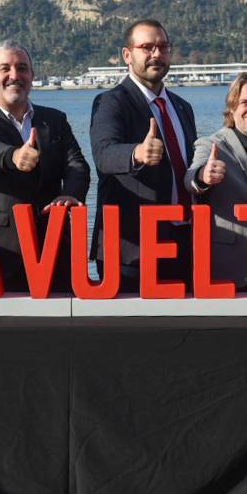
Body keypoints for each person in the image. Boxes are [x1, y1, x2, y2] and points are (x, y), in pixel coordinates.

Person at [0, 41, 90, 291]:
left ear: (31, 75)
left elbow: (77, 165)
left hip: (56, 249)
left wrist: (70, 194)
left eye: (22, 68)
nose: (14, 76)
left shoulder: (55, 119)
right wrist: (14, 156)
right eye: (5, 68)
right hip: (3, 253)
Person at [90, 19, 197, 291]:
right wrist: (136, 153)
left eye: (163, 47)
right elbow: (104, 154)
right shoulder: (110, 102)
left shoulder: (182, 107)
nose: (156, 54)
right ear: (127, 55)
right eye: (147, 47)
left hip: (184, 241)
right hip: (131, 249)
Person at [183, 70, 247, 290]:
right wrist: (204, 176)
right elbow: (191, 178)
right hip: (225, 272)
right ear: (232, 107)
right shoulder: (211, 145)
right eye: (245, 102)